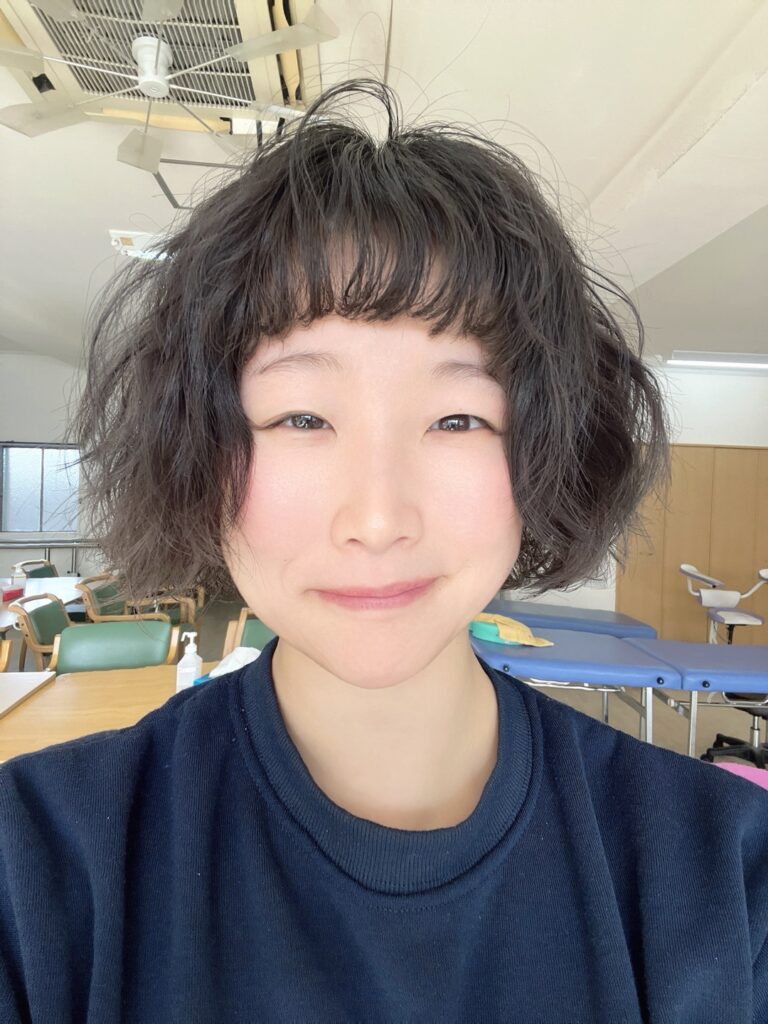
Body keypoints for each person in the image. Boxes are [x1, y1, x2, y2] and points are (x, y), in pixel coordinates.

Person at [0, 77, 765, 1023]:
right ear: (197, 451)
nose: (376, 519)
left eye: (457, 418)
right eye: (301, 417)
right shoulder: (37, 867)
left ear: (545, 451)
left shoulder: (725, 876)